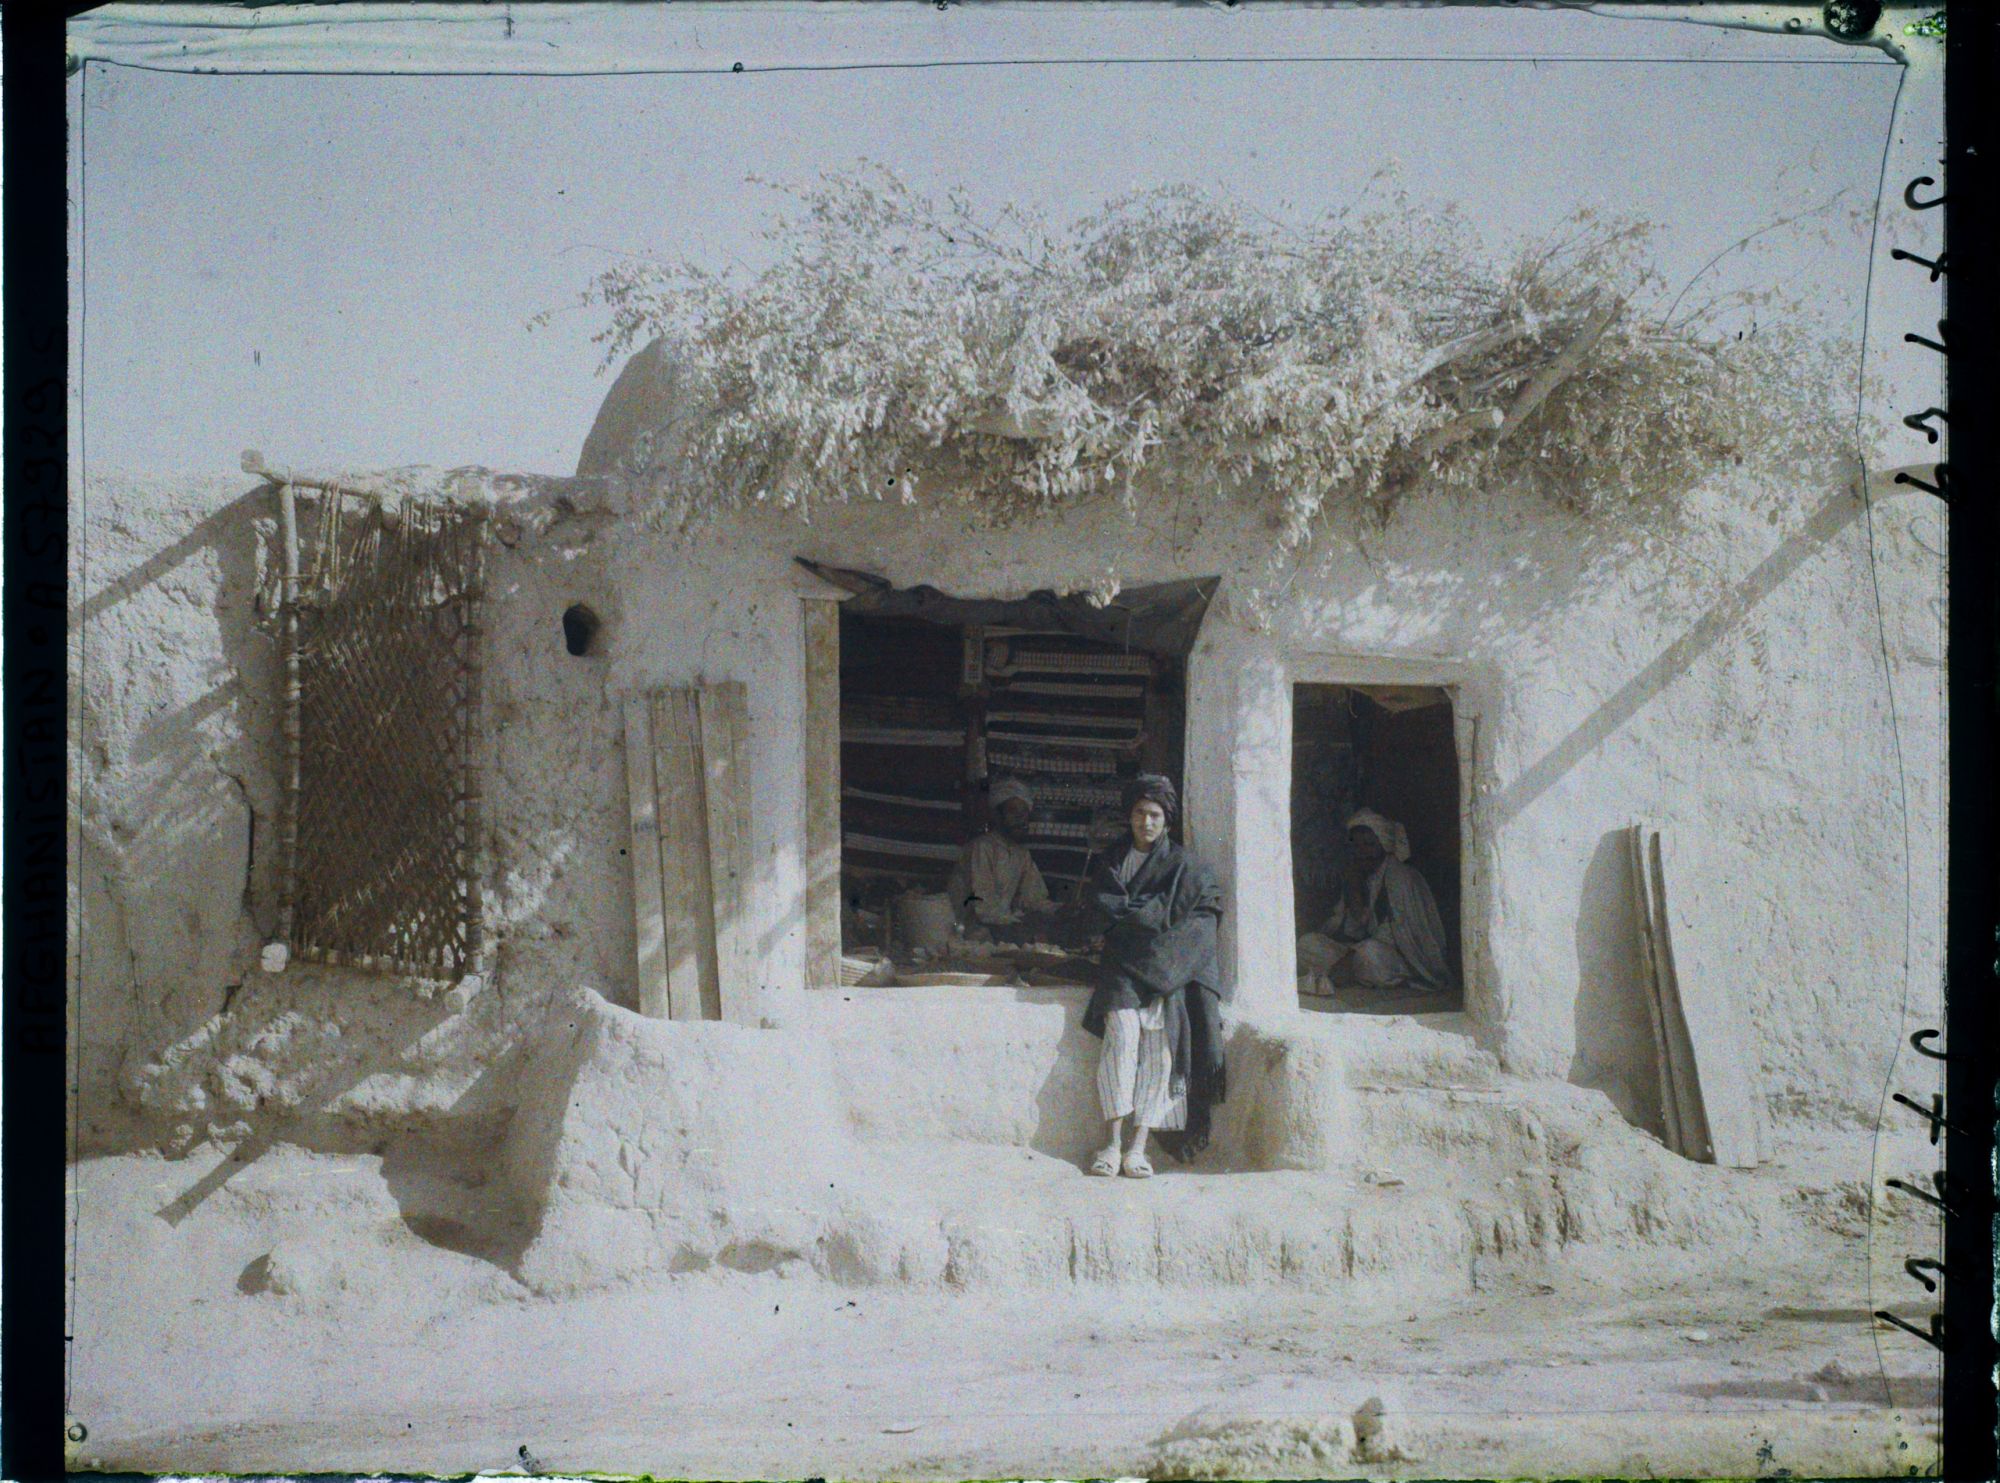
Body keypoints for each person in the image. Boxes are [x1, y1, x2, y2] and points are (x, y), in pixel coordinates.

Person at [1075, 774, 1226, 1178]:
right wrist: (1141, 924)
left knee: (1159, 1052)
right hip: (1122, 969)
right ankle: (1111, 1143)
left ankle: (1138, 1147)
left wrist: (1160, 952)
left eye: (1155, 814)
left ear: (1167, 820)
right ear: (1130, 816)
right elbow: (1101, 907)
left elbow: (1201, 920)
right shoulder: (1112, 860)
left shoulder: (1185, 866)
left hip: (1164, 970)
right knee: (1122, 1039)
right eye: (1140, 813)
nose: (1147, 822)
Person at [1297, 808, 1453, 997]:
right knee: (1308, 944)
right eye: (1357, 846)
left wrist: (1349, 959)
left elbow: (1397, 934)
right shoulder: (1361, 874)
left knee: (1368, 955)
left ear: (1383, 845)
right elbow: (1353, 929)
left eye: (1369, 845)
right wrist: (1354, 889)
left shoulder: (1400, 878)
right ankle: (1350, 974)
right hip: (1362, 949)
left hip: (1402, 957)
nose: (1362, 852)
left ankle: (1351, 974)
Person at [947, 777, 1055, 941]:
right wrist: (1020, 927)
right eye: (1013, 812)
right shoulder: (981, 848)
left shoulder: (1022, 854)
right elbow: (983, 908)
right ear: (997, 815)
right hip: (968, 933)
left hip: (1001, 931)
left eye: (1024, 813)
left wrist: (1059, 910)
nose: (1021, 819)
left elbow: (1033, 898)